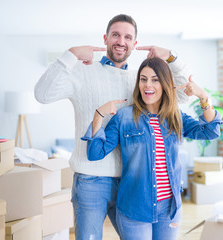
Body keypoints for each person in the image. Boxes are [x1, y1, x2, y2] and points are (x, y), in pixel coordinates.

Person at [34, 14, 190, 240]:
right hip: (91, 180)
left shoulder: (138, 80)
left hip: (131, 184)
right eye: (116, 35)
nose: (121, 41)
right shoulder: (82, 72)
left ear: (134, 44)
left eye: (128, 37)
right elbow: (42, 94)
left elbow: (183, 97)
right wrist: (72, 54)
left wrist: (172, 57)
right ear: (106, 38)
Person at [82, 57, 223, 240]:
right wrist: (98, 115)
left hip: (169, 209)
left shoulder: (175, 116)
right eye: (143, 79)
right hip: (134, 208)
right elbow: (95, 153)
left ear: (164, 84)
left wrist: (204, 97)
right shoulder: (124, 117)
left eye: (155, 79)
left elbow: (210, 132)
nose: (148, 84)